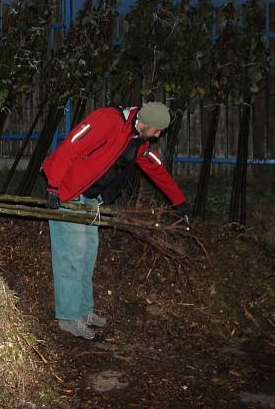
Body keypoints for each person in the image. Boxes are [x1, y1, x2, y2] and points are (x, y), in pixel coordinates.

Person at [41, 102, 188, 339]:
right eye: (158, 130)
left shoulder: (137, 141)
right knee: (72, 254)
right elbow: (71, 145)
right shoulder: (108, 120)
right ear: (146, 123)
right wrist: (54, 187)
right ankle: (68, 317)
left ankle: (83, 311)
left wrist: (180, 203)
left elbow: (158, 170)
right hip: (68, 191)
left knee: (88, 253)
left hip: (90, 197)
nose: (159, 135)